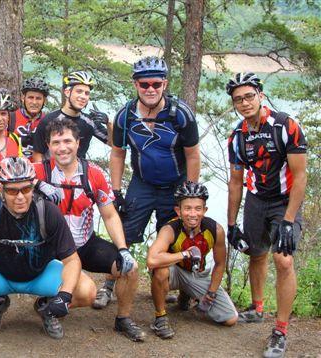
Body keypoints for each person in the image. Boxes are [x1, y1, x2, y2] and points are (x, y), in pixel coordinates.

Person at [0, 157, 96, 339]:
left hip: (40, 274)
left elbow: (72, 260)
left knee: (87, 292)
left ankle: (46, 307)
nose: (20, 197)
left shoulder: (48, 211)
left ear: (33, 188)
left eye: (26, 189)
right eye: (12, 191)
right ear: (1, 190)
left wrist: (64, 296)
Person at [99, 56, 200, 308]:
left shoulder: (181, 114)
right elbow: (117, 152)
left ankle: (182, 288)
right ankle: (109, 285)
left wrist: (191, 193)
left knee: (177, 237)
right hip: (142, 184)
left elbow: (193, 154)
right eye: (144, 85)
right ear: (136, 85)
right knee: (124, 234)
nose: (150, 89)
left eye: (156, 84)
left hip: (175, 185)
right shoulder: (126, 115)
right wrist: (116, 189)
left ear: (165, 84)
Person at [34, 119, 145, 342]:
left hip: (84, 244)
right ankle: (47, 304)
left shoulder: (93, 174)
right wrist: (37, 184)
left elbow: (110, 215)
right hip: (51, 250)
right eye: (56, 142)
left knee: (130, 268)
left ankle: (122, 319)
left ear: (78, 143)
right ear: (48, 145)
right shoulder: (39, 170)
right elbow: (0, 179)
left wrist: (123, 249)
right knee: (82, 292)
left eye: (67, 141)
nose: (62, 147)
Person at [225, 72, 307, 358]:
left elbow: (300, 176)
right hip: (256, 200)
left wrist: (288, 220)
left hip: (285, 201)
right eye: (238, 99)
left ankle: (280, 330)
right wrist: (232, 223)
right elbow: (235, 182)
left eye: (249, 96)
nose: (245, 103)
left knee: (283, 260)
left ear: (260, 95)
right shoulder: (237, 136)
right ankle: (258, 308)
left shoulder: (285, 126)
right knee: (256, 253)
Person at [147, 181, 238, 339]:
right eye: (187, 208)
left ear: (205, 210)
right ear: (178, 210)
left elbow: (220, 263)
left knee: (230, 319)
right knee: (160, 270)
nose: (193, 214)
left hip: (198, 275)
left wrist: (211, 293)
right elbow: (152, 260)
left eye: (198, 208)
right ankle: (160, 317)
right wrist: (185, 254)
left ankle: (185, 296)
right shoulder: (170, 229)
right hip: (175, 270)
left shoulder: (215, 230)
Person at [31, 70, 109, 162]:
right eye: (79, 91)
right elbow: (37, 154)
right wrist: (43, 175)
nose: (83, 96)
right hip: (53, 173)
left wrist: (108, 122)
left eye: (86, 93)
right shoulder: (49, 120)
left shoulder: (90, 121)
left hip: (80, 173)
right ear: (67, 92)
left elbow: (112, 143)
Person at [10, 77, 49, 161]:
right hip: (15, 169)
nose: (34, 102)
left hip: (41, 169)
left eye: (38, 98)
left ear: (44, 101)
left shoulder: (48, 121)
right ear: (23, 98)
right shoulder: (11, 118)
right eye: (30, 97)